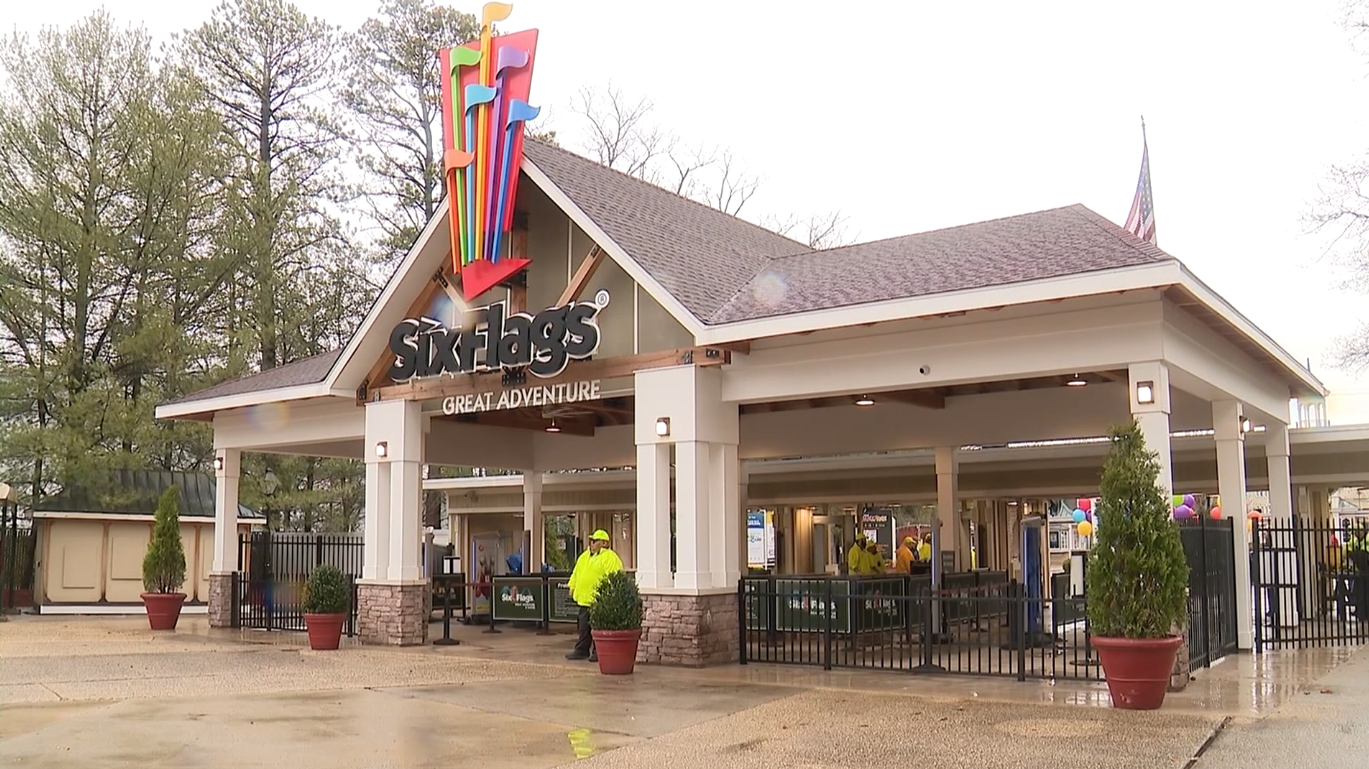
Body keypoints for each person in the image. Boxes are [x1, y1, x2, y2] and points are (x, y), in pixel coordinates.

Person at [565, 529, 623, 662]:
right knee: (584, 627)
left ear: (604, 543)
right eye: (591, 540)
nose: (592, 543)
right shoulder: (584, 557)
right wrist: (572, 586)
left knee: (598, 627)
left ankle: (598, 652)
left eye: (595, 541)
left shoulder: (610, 557)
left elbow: (614, 576)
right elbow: (576, 573)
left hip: (599, 600)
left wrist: (610, 593)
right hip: (584, 599)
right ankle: (581, 650)